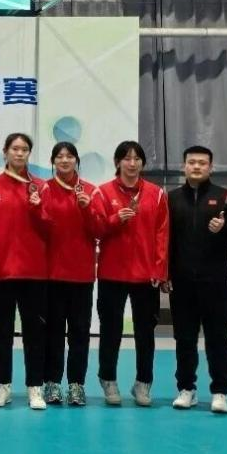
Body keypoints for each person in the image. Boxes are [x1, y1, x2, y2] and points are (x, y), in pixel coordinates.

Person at [0, 133, 49, 410]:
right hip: (0, 273)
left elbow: (50, 229)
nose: (19, 153)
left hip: (34, 273)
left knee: (34, 333)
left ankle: (35, 388)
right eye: (15, 149)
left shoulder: (41, 187)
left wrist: (38, 208)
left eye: (24, 149)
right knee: (1, 333)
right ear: (5, 152)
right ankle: (2, 386)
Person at [167, 145, 227, 414]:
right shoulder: (171, 199)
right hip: (182, 283)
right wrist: (166, 274)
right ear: (184, 166)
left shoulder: (226, 197)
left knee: (217, 338)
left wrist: (224, 229)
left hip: (216, 283)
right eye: (192, 162)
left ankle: (220, 391)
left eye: (202, 163)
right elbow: (165, 240)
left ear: (211, 167)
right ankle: (186, 389)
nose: (196, 166)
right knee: (184, 339)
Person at [93, 140, 169, 408]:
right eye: (126, 158)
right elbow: (95, 229)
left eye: (137, 159)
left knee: (145, 333)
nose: (132, 163)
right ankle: (108, 379)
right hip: (111, 274)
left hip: (146, 276)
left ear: (143, 163)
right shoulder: (103, 193)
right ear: (117, 162)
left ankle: (143, 382)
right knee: (110, 330)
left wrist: (160, 269)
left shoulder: (156, 194)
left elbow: (162, 234)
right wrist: (117, 219)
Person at [39, 142, 98, 408]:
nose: (65, 160)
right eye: (59, 156)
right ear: (53, 161)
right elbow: (38, 229)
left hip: (81, 275)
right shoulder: (43, 190)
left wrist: (87, 208)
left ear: (76, 160)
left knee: (79, 332)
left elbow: (99, 230)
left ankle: (76, 384)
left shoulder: (91, 191)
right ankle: (51, 382)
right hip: (51, 274)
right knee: (52, 332)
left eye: (69, 156)